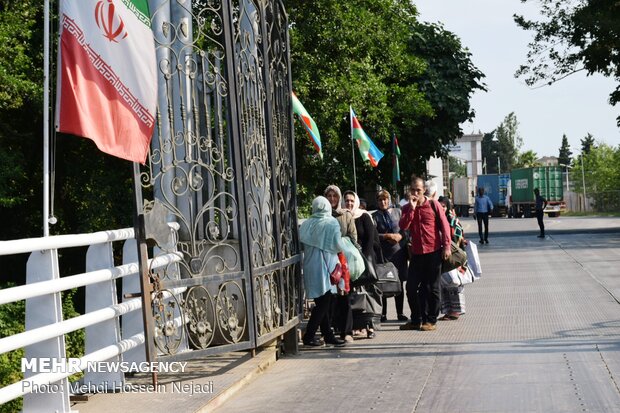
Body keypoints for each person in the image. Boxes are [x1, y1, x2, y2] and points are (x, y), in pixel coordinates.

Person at [399, 175, 452, 332]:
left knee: (432, 288)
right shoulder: (407, 208)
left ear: (424, 191)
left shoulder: (434, 205)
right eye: (413, 190)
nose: (415, 193)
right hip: (416, 253)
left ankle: (431, 320)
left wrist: (447, 246)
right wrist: (412, 208)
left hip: (434, 252)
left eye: (418, 190)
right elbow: (403, 225)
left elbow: (445, 226)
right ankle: (416, 319)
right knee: (411, 287)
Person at [299, 196, 347, 347]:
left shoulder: (306, 224)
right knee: (324, 302)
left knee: (322, 301)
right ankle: (309, 335)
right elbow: (338, 245)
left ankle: (328, 335)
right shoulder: (331, 222)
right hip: (326, 267)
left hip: (310, 266)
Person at [342, 190, 381, 339]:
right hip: (350, 264)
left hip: (365, 261)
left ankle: (370, 326)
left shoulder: (364, 216)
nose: (349, 203)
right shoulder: (343, 217)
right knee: (353, 296)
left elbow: (370, 240)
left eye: (352, 200)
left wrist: (362, 257)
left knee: (367, 295)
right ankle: (355, 327)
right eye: (347, 200)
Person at [324, 185, 356, 342]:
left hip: (342, 260)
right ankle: (329, 331)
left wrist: (341, 244)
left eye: (334, 196)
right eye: (328, 196)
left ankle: (346, 331)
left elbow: (353, 237)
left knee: (344, 295)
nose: (332, 199)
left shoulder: (346, 216)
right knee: (328, 297)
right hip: (326, 259)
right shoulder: (321, 216)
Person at [373, 190, 408, 322]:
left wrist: (400, 236)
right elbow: (374, 234)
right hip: (383, 254)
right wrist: (387, 236)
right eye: (380, 200)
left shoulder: (398, 212)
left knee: (399, 283)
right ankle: (383, 314)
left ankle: (400, 313)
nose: (383, 202)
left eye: (385, 199)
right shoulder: (375, 216)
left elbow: (406, 228)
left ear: (389, 200)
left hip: (399, 253)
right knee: (383, 283)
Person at [438, 196, 467, 321]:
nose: (442, 208)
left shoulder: (453, 221)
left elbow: (458, 240)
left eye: (444, 206)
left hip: (454, 257)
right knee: (444, 285)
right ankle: (448, 311)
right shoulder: (438, 219)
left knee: (453, 283)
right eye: (440, 206)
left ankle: (455, 311)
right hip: (443, 257)